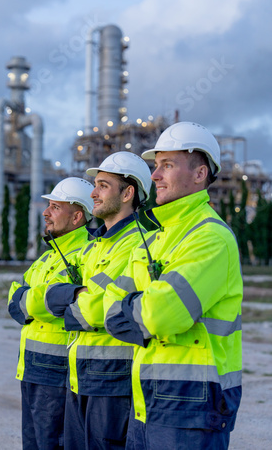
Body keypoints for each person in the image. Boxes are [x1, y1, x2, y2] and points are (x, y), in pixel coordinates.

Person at [104, 121, 243, 450]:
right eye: (155, 166)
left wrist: (138, 307)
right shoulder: (156, 237)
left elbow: (161, 316)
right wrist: (143, 305)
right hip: (147, 401)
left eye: (167, 165)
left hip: (191, 406)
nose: (154, 176)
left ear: (199, 174)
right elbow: (110, 310)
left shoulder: (210, 237)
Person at [45, 151, 152, 450]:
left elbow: (97, 309)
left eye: (103, 185)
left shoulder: (137, 243)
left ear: (128, 193)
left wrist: (69, 300)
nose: (92, 192)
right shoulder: (94, 246)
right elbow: (52, 295)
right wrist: (71, 297)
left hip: (113, 377)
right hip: (79, 374)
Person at [8, 177, 94, 450]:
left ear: (77, 216)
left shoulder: (85, 254)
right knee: (33, 443)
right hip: (32, 367)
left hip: (57, 370)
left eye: (55, 207)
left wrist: (33, 300)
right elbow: (14, 301)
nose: (45, 212)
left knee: (51, 443)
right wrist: (44, 300)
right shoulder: (47, 257)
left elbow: (71, 302)